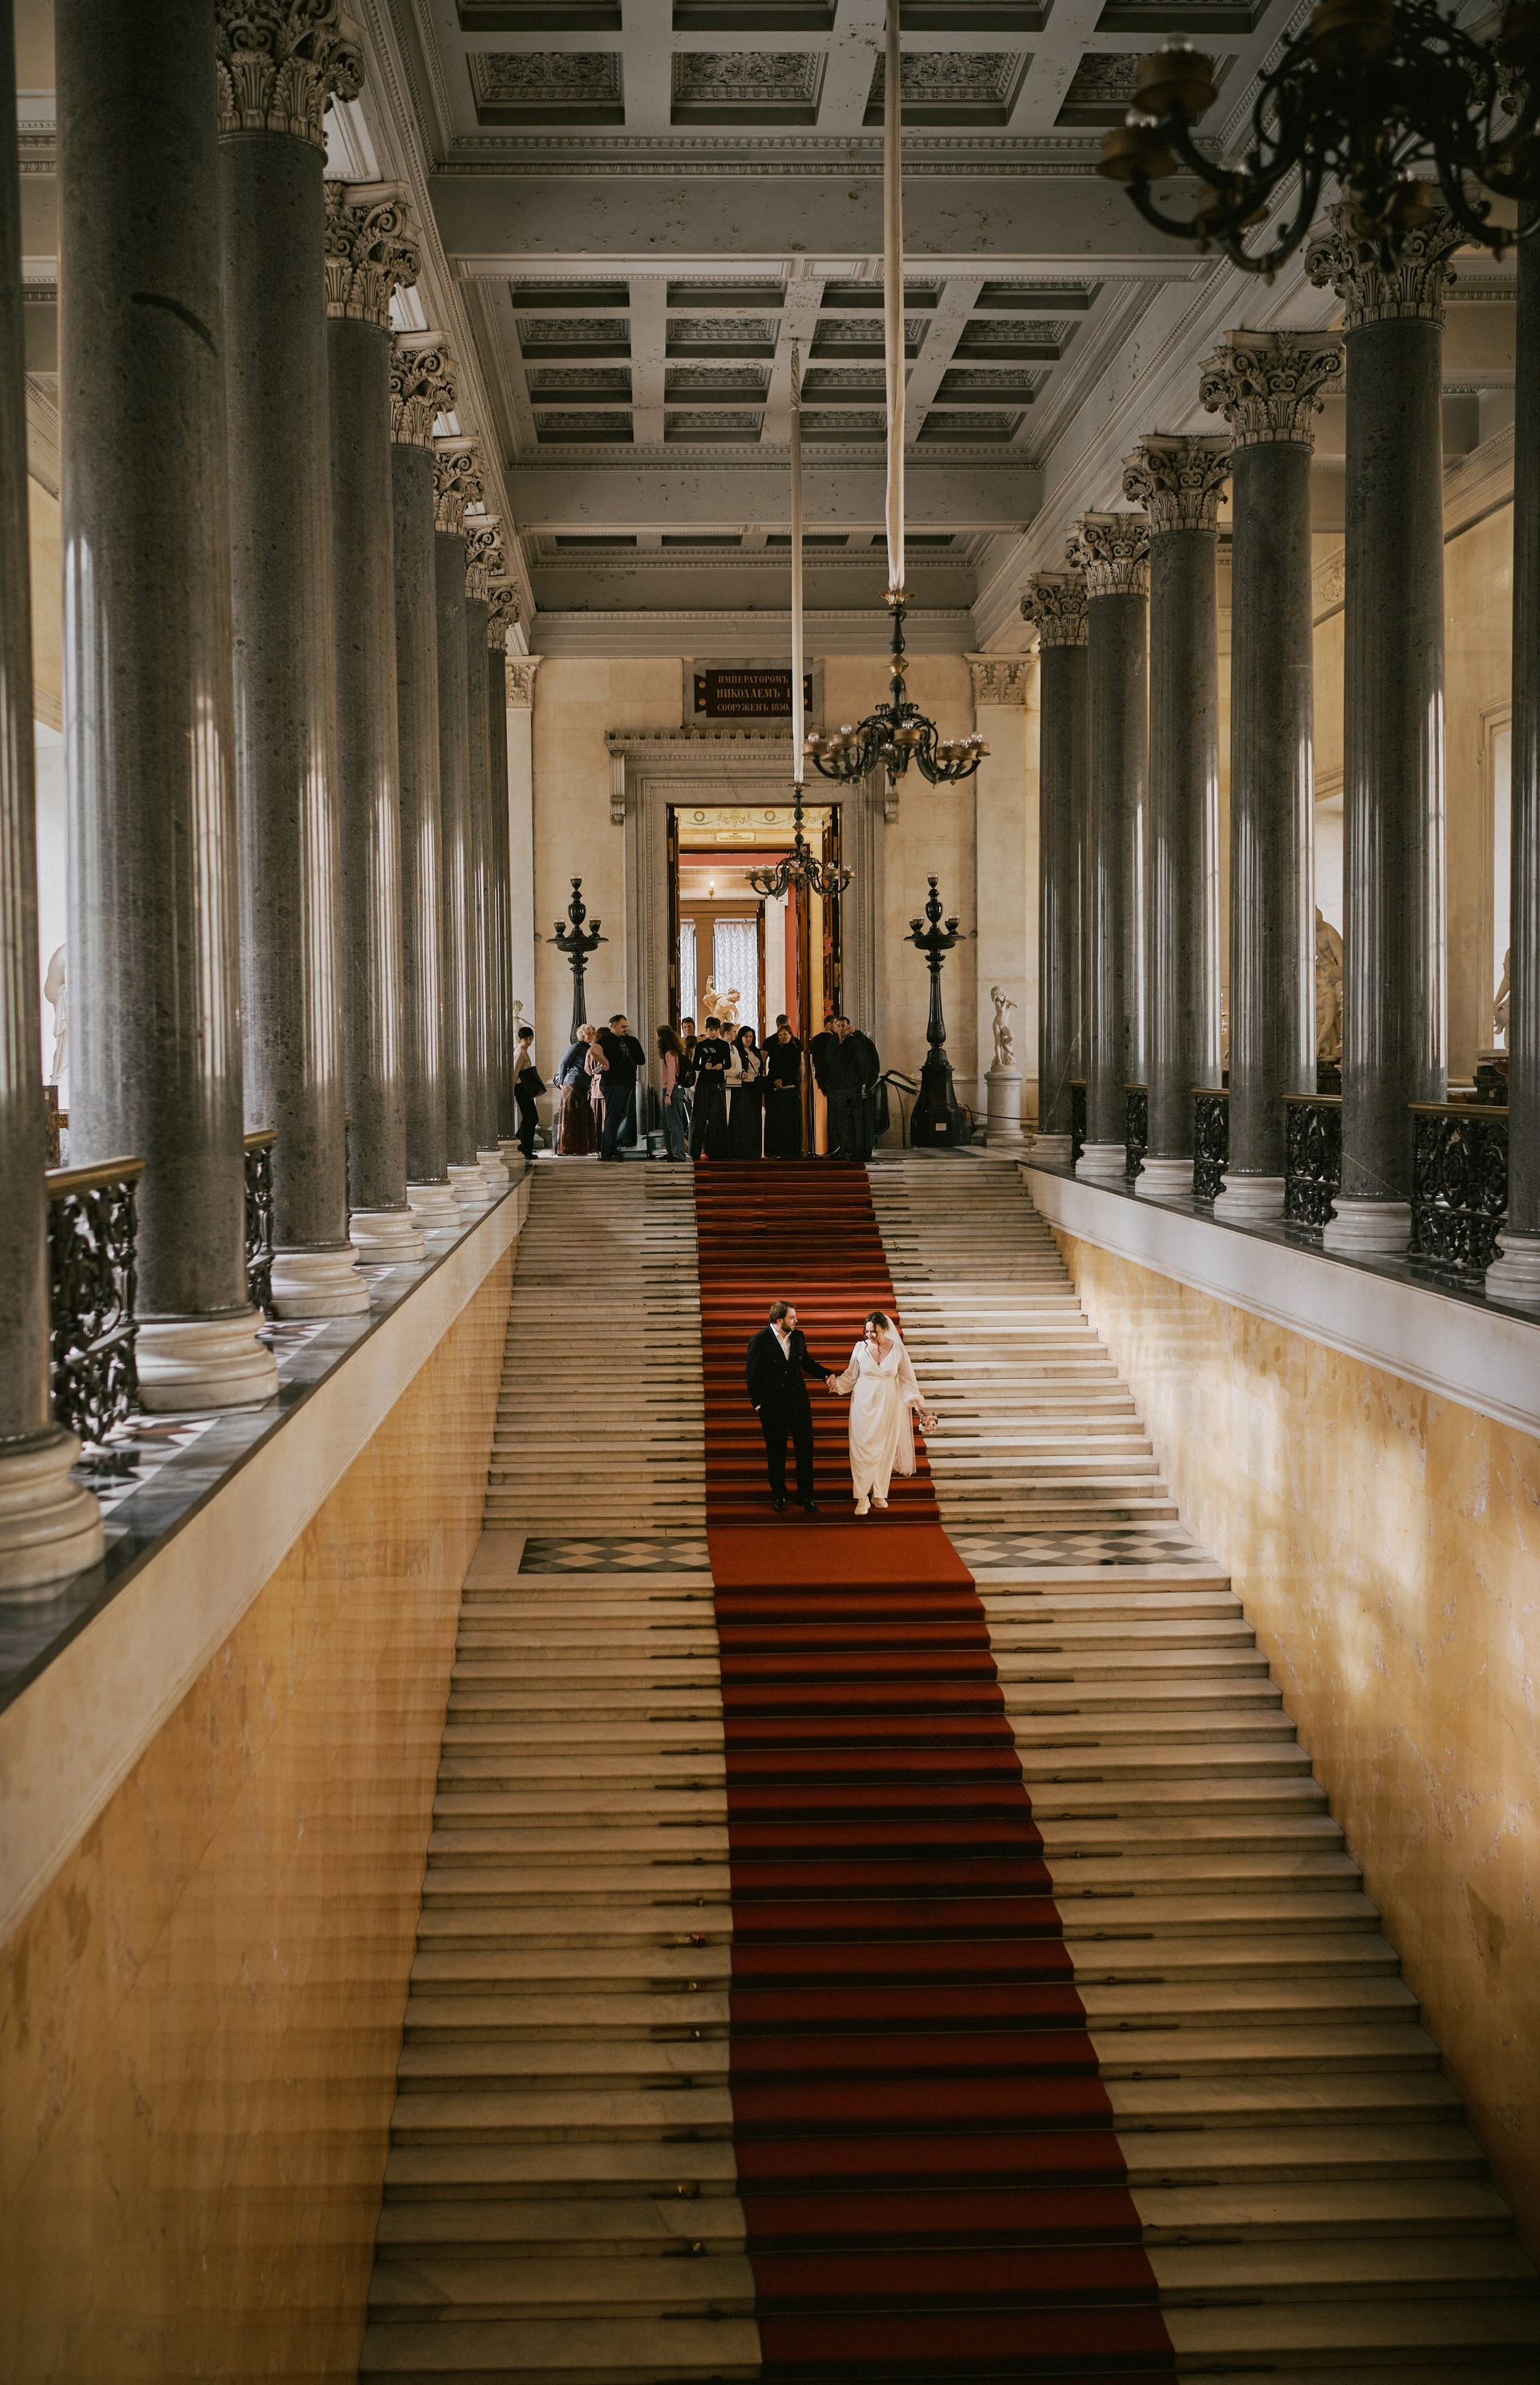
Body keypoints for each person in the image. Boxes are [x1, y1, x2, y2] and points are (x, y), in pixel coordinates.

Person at [829, 1308, 938, 1517]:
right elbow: (850, 1376)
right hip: (863, 1404)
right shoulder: (860, 1348)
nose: (870, 1335)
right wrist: (836, 1384)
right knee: (862, 1449)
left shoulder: (897, 1349)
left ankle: (879, 1493)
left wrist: (917, 1404)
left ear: (885, 1329)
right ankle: (862, 1496)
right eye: (867, 1331)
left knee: (885, 1449)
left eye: (874, 1331)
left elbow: (907, 1378)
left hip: (889, 1403)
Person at [745, 1299, 837, 1514]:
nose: (797, 1320)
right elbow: (752, 1375)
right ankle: (779, 1495)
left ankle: (805, 1496)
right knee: (776, 1452)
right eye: (792, 1317)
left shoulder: (798, 1336)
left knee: (806, 1449)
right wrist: (758, 1404)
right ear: (779, 1320)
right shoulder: (759, 1340)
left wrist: (826, 1374)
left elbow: (806, 1362)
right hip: (772, 1408)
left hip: (798, 1404)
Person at [826, 1016, 881, 1162]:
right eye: (838, 1026)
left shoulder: (855, 1042)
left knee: (856, 1122)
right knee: (841, 1122)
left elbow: (863, 1063)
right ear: (835, 1027)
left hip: (852, 1087)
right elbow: (829, 1064)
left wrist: (864, 1084)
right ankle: (845, 1148)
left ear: (848, 1027)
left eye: (843, 1026)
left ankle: (857, 1151)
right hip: (837, 1087)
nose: (841, 1029)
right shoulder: (832, 1043)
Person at [597, 1012, 646, 1163]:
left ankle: (613, 1148)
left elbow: (641, 1060)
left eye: (626, 1026)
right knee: (613, 1116)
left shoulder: (631, 1041)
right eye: (623, 1026)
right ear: (613, 1026)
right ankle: (607, 1150)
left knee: (619, 1117)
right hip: (613, 1083)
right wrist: (606, 1062)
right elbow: (593, 1050)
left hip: (627, 1083)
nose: (625, 1029)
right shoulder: (606, 1040)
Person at [557, 1021, 603, 1156]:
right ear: (582, 1035)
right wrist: (562, 1082)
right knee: (571, 1117)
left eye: (592, 1033)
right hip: (572, 1084)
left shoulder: (590, 1048)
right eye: (588, 1033)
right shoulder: (576, 1047)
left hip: (583, 1085)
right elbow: (563, 1063)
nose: (591, 1035)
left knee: (581, 1116)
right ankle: (568, 1148)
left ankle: (579, 1148)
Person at [689, 1015, 732, 1161]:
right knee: (699, 1118)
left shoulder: (724, 1045)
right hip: (703, 1084)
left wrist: (721, 1066)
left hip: (718, 1083)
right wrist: (703, 1066)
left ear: (718, 1030)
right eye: (710, 1030)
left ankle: (717, 1152)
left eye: (715, 1030)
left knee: (718, 1118)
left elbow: (728, 1064)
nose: (713, 1033)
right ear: (706, 1030)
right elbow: (695, 1065)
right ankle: (694, 1152)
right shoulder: (701, 1045)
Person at [763, 1022, 804, 1158]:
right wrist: (774, 1080)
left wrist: (783, 1080)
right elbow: (772, 1068)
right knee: (777, 1120)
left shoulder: (796, 1050)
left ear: (790, 1035)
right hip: (776, 1090)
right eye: (780, 1035)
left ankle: (790, 1150)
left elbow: (794, 1068)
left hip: (790, 1088)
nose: (782, 1037)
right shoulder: (776, 1051)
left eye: (785, 1034)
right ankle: (777, 1150)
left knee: (789, 1120)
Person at [727, 1024, 764, 1159]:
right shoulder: (736, 1051)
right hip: (742, 1087)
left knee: (755, 1118)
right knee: (743, 1119)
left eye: (751, 1036)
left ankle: (754, 1150)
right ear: (740, 1037)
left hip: (755, 1087)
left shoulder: (756, 1051)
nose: (749, 1039)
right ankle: (741, 1150)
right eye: (746, 1036)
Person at [657, 1023, 688, 1161]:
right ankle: (671, 1151)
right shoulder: (669, 1053)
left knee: (674, 1123)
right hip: (669, 1090)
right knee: (667, 1123)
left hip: (672, 1090)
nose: (657, 1038)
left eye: (658, 1035)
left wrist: (668, 1094)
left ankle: (678, 1154)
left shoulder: (670, 1054)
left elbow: (671, 1076)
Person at [513, 1024, 544, 1160]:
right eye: (526, 1039)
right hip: (521, 1088)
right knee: (531, 1118)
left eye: (531, 1038)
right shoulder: (520, 1052)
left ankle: (521, 1145)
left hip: (523, 1088)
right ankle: (524, 1148)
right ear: (520, 1039)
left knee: (530, 1118)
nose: (529, 1041)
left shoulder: (522, 1051)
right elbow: (515, 1072)